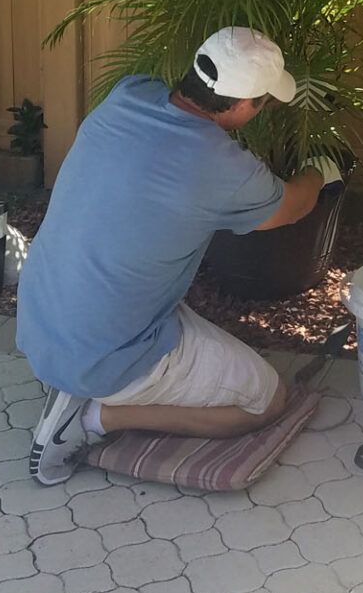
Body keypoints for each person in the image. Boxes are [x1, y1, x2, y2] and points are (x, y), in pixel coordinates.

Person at [19, 27, 340, 485]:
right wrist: (320, 170)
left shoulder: (129, 93)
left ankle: (77, 380)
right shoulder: (221, 166)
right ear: (244, 105)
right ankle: (93, 418)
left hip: (42, 319)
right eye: (264, 101)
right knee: (266, 401)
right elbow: (294, 206)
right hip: (106, 349)